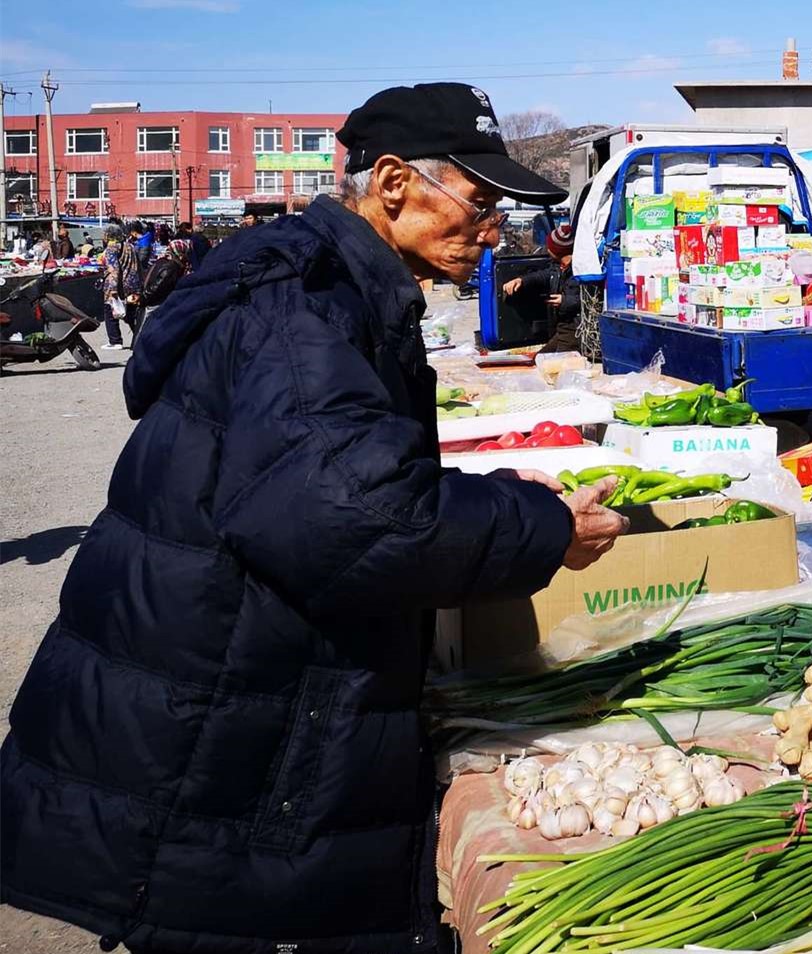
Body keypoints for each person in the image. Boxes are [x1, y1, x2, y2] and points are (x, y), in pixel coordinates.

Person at [0, 82, 627, 954]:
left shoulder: (329, 283)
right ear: (396, 182)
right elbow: (362, 522)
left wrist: (469, 489)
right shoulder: (303, 307)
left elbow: (322, 472)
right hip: (217, 726)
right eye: (478, 206)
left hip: (227, 689)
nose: (491, 233)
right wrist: (540, 528)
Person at [500, 221, 580, 352]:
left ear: (558, 250)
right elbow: (545, 275)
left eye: (550, 247)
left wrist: (565, 301)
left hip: (575, 330)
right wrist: (521, 280)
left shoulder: (580, 268)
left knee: (553, 363)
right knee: (538, 358)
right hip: (560, 329)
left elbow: (591, 299)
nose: (547, 249)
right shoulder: (557, 266)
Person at [99, 228, 133, 350]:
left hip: (115, 285)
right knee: (129, 313)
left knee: (110, 311)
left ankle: (115, 341)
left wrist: (113, 289)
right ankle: (139, 336)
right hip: (130, 283)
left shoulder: (111, 249)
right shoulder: (129, 246)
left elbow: (113, 269)